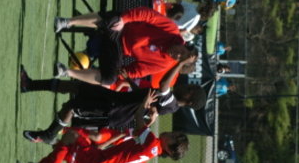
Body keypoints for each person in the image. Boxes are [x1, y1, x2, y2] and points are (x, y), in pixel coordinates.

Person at [16, 90, 190, 163]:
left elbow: (138, 116)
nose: (170, 133)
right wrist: (148, 122)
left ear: (169, 149)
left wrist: (145, 102)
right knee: (66, 146)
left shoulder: (152, 142)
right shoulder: (152, 150)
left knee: (70, 137)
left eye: (173, 137)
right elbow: (135, 135)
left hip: (100, 162)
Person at [21, 56, 205, 144]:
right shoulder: (169, 99)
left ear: (189, 102)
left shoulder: (171, 104)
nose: (186, 87)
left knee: (71, 107)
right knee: (76, 86)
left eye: (189, 91)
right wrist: (130, 81)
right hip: (115, 99)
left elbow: (164, 84)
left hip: (114, 111)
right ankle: (30, 85)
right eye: (190, 86)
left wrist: (180, 63)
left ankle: (48, 135)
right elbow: (144, 97)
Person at [53, 7, 192, 86]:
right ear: (184, 45)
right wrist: (124, 19)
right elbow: (148, 14)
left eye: (180, 58)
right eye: (182, 52)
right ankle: (66, 22)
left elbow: (139, 71)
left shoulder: (164, 63)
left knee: (110, 79)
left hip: (119, 50)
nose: (178, 55)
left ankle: (66, 72)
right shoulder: (171, 30)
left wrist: (123, 74)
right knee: (113, 20)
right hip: (123, 28)